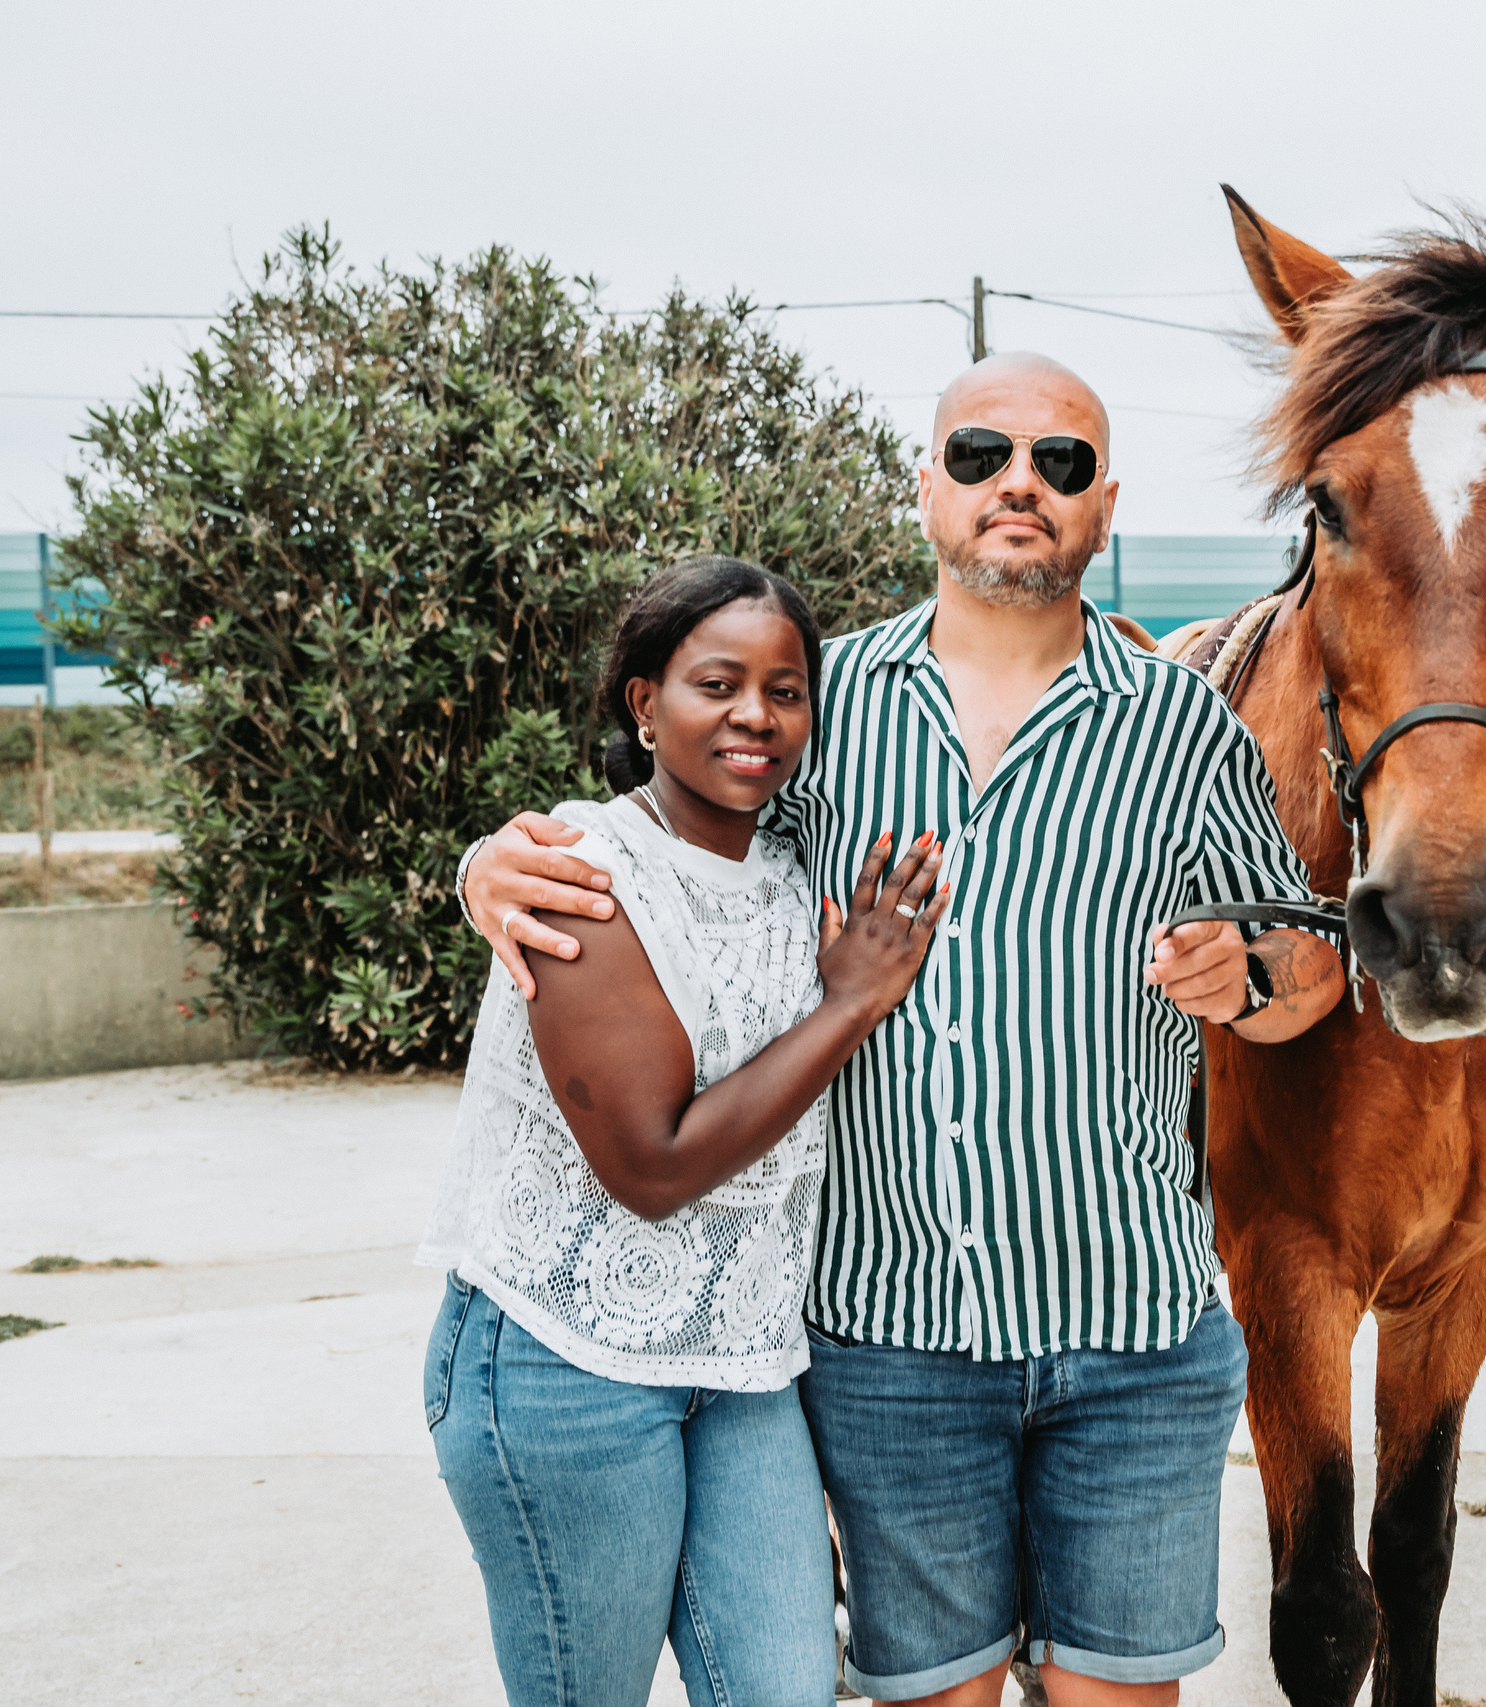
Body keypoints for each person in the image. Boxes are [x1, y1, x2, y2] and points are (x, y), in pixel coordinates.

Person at [462, 353, 1347, 1707]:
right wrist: (493, 864)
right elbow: (678, 841)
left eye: (1062, 465)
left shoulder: (1184, 729)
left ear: (1104, 507)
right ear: (925, 485)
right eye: (983, 453)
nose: (1019, 486)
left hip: (1134, 1331)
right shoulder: (825, 707)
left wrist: (1264, 970)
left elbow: (1310, 944)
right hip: (892, 1341)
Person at [419, 555, 948, 1707]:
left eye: (786, 689)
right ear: (643, 703)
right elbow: (652, 1168)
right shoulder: (584, 879)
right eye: (717, 684)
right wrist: (855, 1001)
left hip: (746, 1365)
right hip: (566, 1362)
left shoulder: (792, 862)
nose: (755, 715)